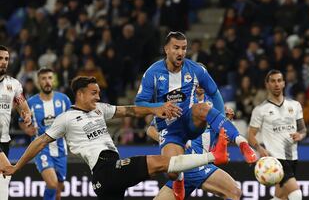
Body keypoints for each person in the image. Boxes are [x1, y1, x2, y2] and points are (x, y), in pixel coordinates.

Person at [2, 76, 229, 200]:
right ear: (80, 94)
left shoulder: (100, 109)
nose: (98, 96)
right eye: (94, 92)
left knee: (165, 164)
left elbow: (128, 110)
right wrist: (17, 166)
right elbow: (39, 141)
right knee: (163, 162)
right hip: (106, 169)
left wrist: (155, 108)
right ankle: (213, 156)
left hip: (105, 182)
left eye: (99, 93)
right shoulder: (66, 118)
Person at [135, 31, 256, 200]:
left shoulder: (208, 108)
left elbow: (217, 119)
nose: (180, 52)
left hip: (199, 163)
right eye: (176, 48)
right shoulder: (155, 75)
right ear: (166, 49)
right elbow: (148, 124)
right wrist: (161, 120)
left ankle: (243, 143)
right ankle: (178, 177)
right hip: (181, 153)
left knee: (235, 192)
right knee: (173, 169)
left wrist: (222, 122)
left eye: (184, 48)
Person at [147, 85, 242, 200]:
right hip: (188, 159)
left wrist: (225, 120)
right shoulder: (180, 102)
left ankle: (180, 178)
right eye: (198, 82)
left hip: (198, 162)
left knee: (234, 192)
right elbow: (151, 130)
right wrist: (171, 140)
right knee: (234, 192)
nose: (201, 85)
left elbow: (221, 130)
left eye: (203, 82)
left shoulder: (214, 104)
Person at [248, 69, 306, 200]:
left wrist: (300, 135)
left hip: (292, 157)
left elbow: (303, 130)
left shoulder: (295, 105)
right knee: (296, 194)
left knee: (281, 197)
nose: (276, 84)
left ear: (284, 83)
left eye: (279, 81)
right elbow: (250, 135)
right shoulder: (260, 110)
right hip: (275, 159)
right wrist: (259, 148)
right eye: (273, 81)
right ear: (267, 84)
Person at [19, 68, 71, 200]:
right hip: (41, 149)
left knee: (59, 189)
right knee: (52, 184)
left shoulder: (64, 100)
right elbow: (21, 121)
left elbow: (72, 120)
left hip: (60, 149)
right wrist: (26, 129)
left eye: (49, 78)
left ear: (53, 80)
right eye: (43, 78)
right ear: (38, 82)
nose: (47, 81)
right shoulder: (30, 102)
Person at [0, 45, 32, 200]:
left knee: (3, 179)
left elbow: (22, 105)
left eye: (6, 59)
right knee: (6, 170)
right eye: (0, 58)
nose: (4, 62)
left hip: (4, 139)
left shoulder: (13, 84)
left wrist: (26, 115)